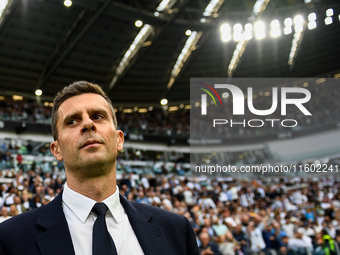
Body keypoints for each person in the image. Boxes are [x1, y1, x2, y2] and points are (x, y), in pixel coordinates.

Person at [0, 81, 199, 255]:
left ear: (119, 140)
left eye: (97, 116)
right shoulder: (10, 239)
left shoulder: (176, 230)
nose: (87, 124)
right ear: (56, 149)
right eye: (72, 121)